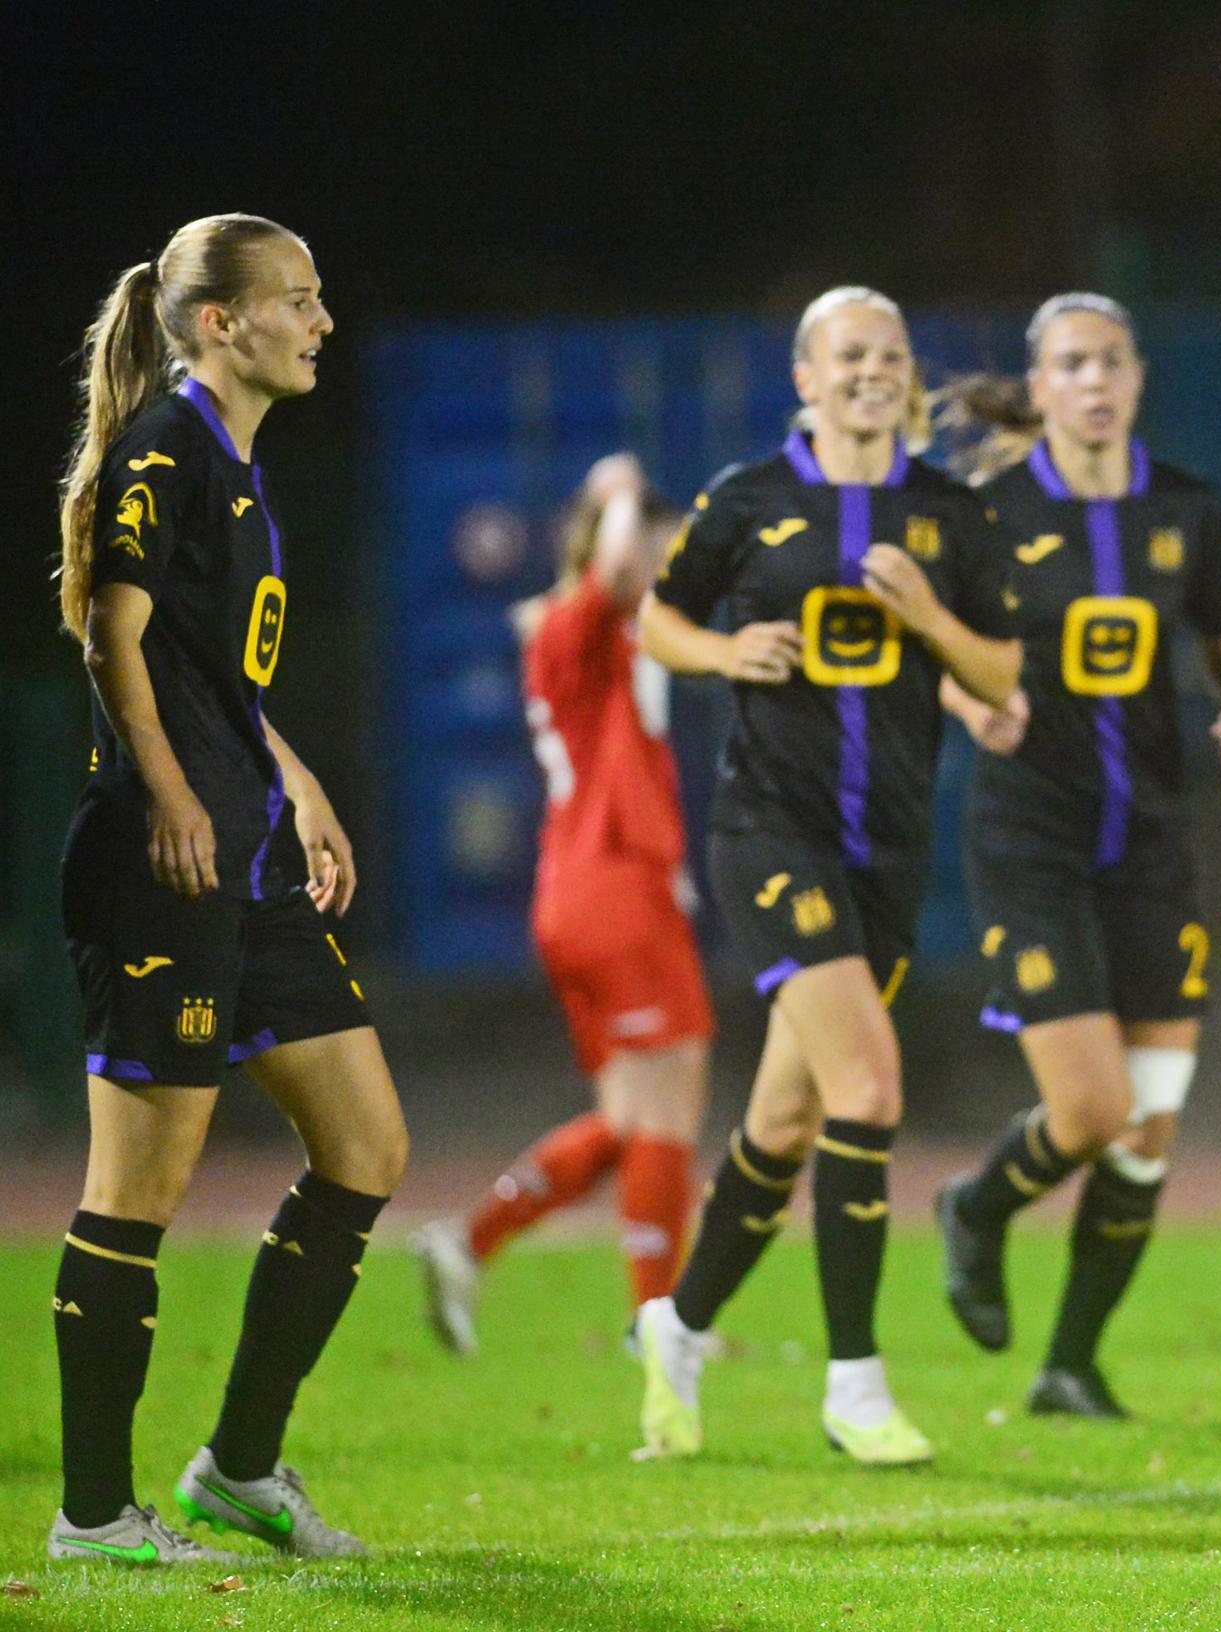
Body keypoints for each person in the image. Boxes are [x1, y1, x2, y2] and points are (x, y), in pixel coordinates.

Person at [47, 214, 407, 1566]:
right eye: (296, 301)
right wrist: (178, 795)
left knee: (367, 1146)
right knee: (140, 1185)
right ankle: (92, 1514)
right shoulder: (165, 446)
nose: (320, 323)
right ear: (220, 322)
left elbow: (215, 677)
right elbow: (111, 628)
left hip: (247, 856)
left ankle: (239, 1470)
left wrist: (291, 781)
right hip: (165, 863)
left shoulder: (244, 473)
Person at [625, 287, 1019, 1467]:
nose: (871, 371)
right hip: (769, 832)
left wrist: (932, 621)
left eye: (891, 355)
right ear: (805, 376)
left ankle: (678, 1326)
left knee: (787, 1119)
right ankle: (855, 1384)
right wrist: (723, 650)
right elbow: (657, 620)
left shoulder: (948, 512)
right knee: (868, 1088)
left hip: (885, 851)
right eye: (849, 354)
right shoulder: (747, 499)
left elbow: (1001, 676)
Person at [932, 292, 1221, 1419]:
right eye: (1070, 363)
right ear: (1039, 386)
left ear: (1134, 380)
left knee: (1149, 1126)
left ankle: (1069, 1364)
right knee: (1087, 1113)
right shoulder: (983, 513)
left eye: (1110, 361)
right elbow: (931, 646)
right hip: (1030, 837)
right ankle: (978, 1208)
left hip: (1155, 843)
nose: (1092, 380)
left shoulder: (1183, 508)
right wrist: (965, 701)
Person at [410, 454, 711, 1352]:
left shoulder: (584, 632)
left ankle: (469, 1244)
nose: (660, 566)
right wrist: (618, 491)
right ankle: (658, 1322)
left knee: (630, 1122)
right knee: (669, 1112)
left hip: (580, 890)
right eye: (656, 549)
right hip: (617, 886)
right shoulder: (586, 621)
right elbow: (618, 565)